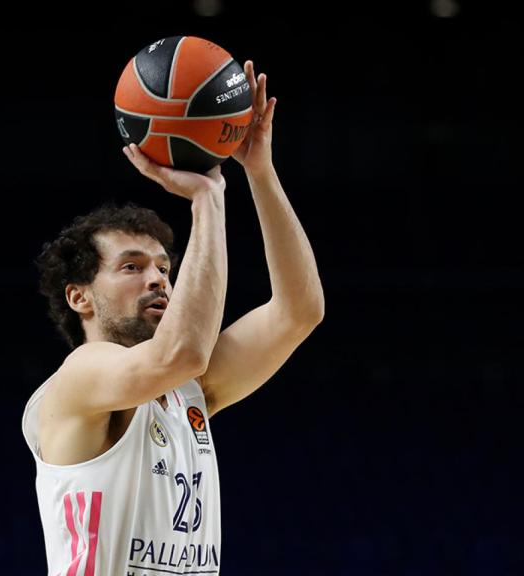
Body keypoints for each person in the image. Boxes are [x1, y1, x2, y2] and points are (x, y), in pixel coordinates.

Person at [22, 60, 324, 575]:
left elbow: (299, 312)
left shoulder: (189, 391)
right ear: (79, 297)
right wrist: (208, 199)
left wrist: (260, 171)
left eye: (164, 268)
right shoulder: (80, 379)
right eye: (132, 267)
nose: (158, 279)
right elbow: (183, 352)